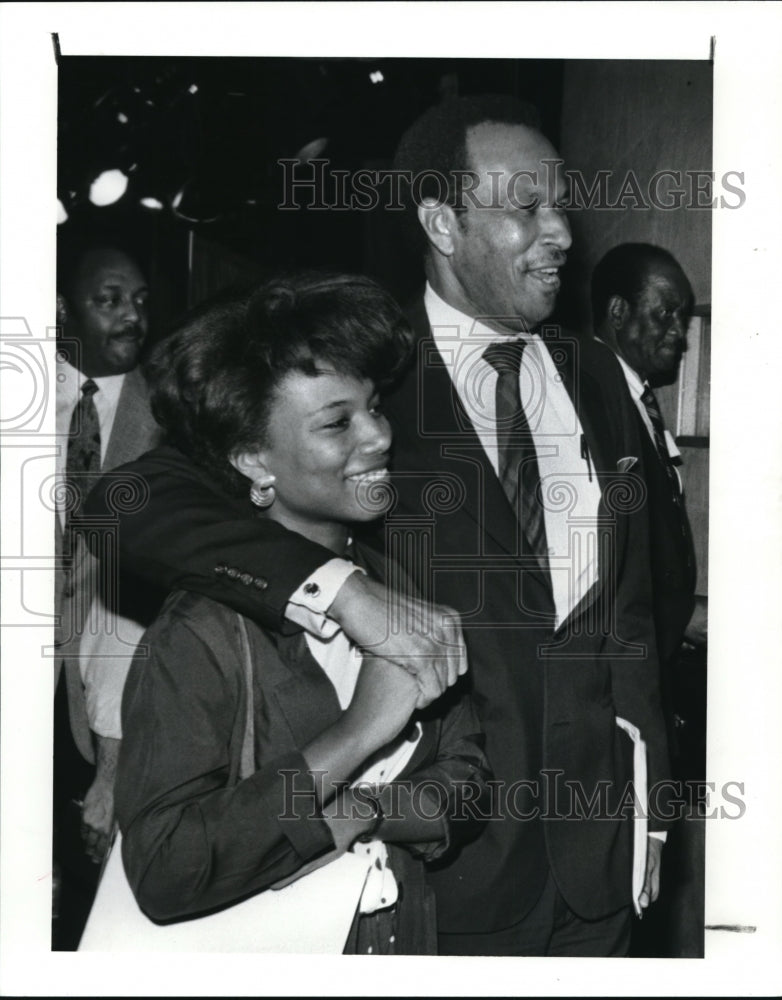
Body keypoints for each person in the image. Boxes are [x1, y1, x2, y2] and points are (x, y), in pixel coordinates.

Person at [87, 95, 670, 956]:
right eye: (526, 207)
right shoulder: (360, 374)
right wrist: (339, 590)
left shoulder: (594, 377)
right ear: (440, 221)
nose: (561, 234)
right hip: (433, 879)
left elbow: (633, 610)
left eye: (561, 205)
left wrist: (650, 815)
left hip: (600, 870)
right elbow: (125, 504)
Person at [114, 275, 489, 954]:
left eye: (374, 406)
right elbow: (167, 869)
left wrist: (369, 812)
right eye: (336, 422)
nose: (378, 434)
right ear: (255, 460)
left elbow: (467, 782)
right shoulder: (202, 631)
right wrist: (357, 734)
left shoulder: (395, 585)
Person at [591, 242, 708, 956]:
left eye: (686, 319)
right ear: (616, 312)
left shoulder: (639, 399)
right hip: (619, 692)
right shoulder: (596, 398)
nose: (679, 333)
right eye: (667, 315)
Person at [54, 237, 162, 948]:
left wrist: (113, 764)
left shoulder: (171, 417)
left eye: (142, 302)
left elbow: (134, 601)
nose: (132, 319)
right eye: (110, 300)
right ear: (64, 309)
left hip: (106, 700)